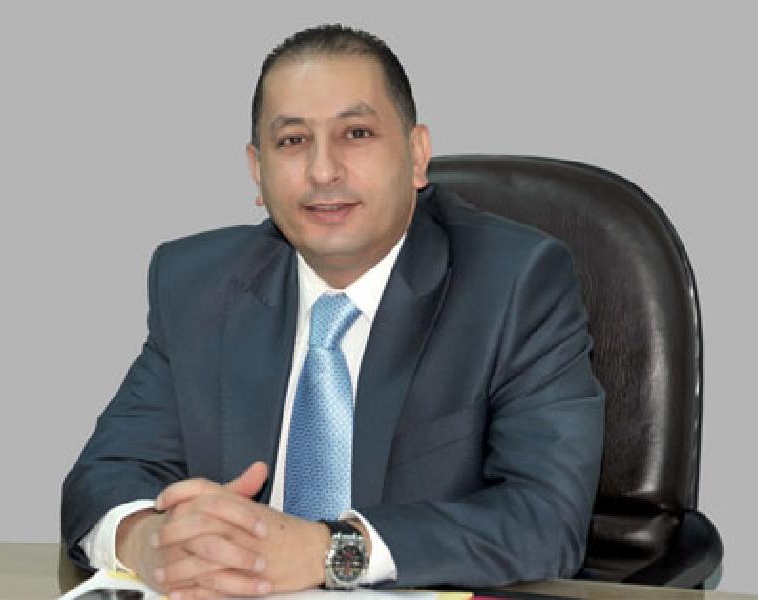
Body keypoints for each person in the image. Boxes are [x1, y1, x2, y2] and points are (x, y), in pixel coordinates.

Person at [61, 24, 604, 599]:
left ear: (417, 155)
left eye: (356, 133)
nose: (323, 171)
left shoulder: (514, 282)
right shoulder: (198, 284)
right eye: (293, 141)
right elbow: (104, 474)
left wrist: (329, 550)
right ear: (257, 170)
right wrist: (152, 540)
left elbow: (547, 519)